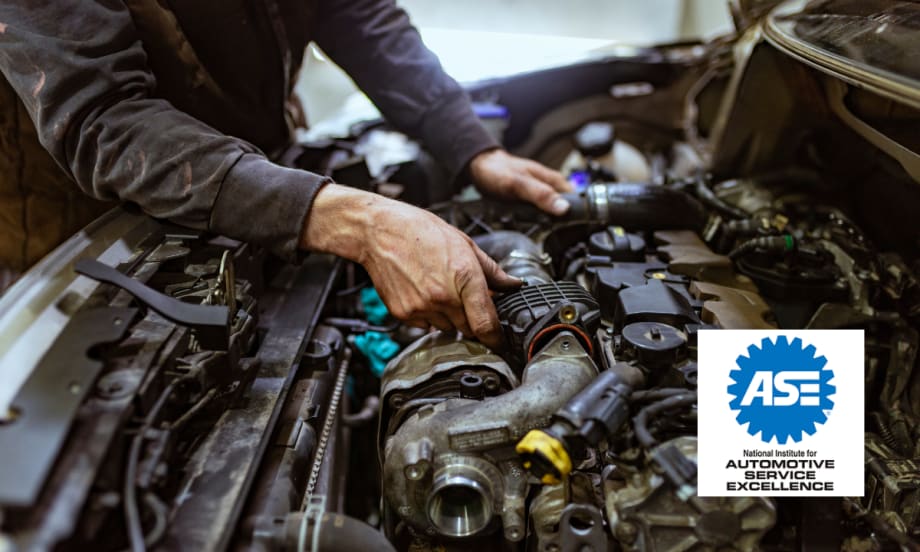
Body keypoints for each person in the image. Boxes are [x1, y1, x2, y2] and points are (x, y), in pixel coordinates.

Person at [0, 0, 573, 347]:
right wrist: (361, 223)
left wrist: (470, 145)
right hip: (87, 237)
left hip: (257, 168)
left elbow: (355, 14)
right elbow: (106, 119)